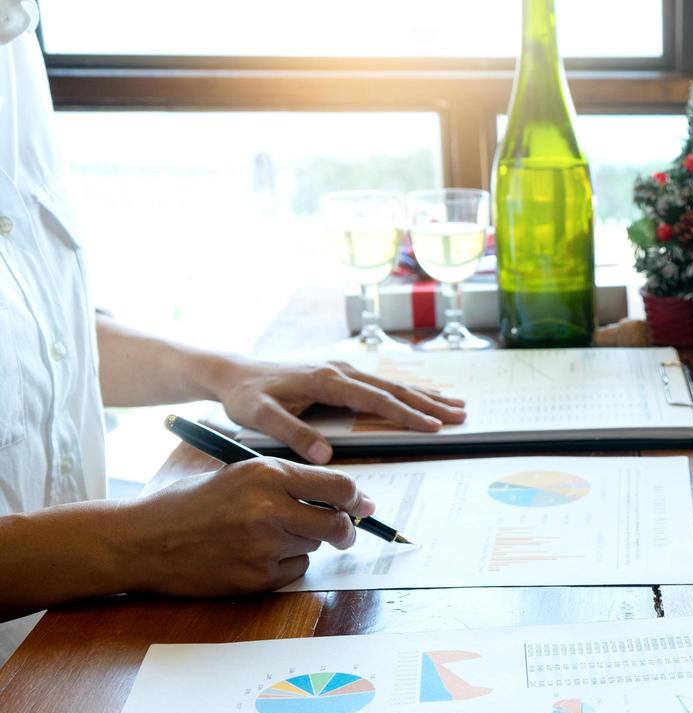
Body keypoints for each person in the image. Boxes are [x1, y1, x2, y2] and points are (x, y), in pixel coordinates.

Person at [0, 13, 464, 662]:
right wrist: (134, 543)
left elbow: (41, 331)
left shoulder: (16, 39)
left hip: (70, 647)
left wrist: (222, 373)